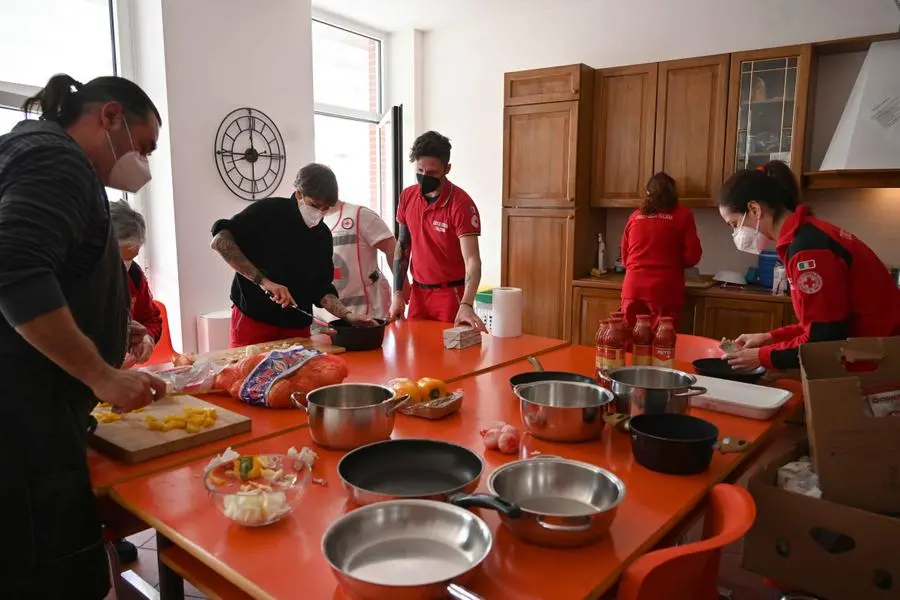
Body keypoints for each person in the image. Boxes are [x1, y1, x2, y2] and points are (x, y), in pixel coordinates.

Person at [0, 74, 166, 599]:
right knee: (50, 570)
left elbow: (53, 271)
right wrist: (100, 375)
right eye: (144, 147)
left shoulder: (31, 151)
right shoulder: (60, 160)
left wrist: (113, 320)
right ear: (110, 116)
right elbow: (14, 268)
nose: (142, 163)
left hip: (32, 411)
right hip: (23, 423)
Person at [720, 161, 900, 371]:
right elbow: (820, 324)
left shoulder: (809, 251)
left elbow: (824, 340)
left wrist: (762, 357)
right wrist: (769, 338)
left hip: (880, 362)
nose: (736, 234)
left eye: (734, 224)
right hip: (873, 354)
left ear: (754, 209)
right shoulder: (806, 235)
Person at [211, 163, 375, 347]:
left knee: (302, 366)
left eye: (326, 208)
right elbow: (220, 241)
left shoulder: (322, 236)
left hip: (296, 325)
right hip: (253, 318)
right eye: (315, 205)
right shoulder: (267, 211)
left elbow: (321, 289)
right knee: (247, 365)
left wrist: (347, 315)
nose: (320, 213)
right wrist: (265, 282)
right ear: (298, 194)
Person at [389, 131, 485, 330]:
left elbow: (472, 259)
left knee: (450, 349)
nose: (424, 177)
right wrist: (397, 294)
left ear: (447, 169)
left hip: (450, 295)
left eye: (432, 173)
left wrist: (467, 304)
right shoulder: (407, 196)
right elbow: (403, 246)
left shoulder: (461, 204)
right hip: (418, 294)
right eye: (420, 170)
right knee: (416, 347)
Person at [620, 172, 702, 329]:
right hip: (665, 289)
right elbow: (692, 255)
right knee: (663, 340)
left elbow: (625, 256)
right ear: (673, 193)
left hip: (633, 287)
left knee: (631, 337)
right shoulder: (683, 215)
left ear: (647, 193)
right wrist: (673, 263)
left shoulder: (635, 216)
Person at [314, 198, 396, 321]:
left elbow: (392, 248)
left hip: (366, 311)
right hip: (324, 314)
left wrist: (400, 291)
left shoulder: (360, 215)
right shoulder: (310, 221)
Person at [110, 199, 161, 366]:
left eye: (130, 259)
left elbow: (151, 319)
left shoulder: (134, 275)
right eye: (119, 259)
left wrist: (147, 338)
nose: (124, 267)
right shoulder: (74, 282)